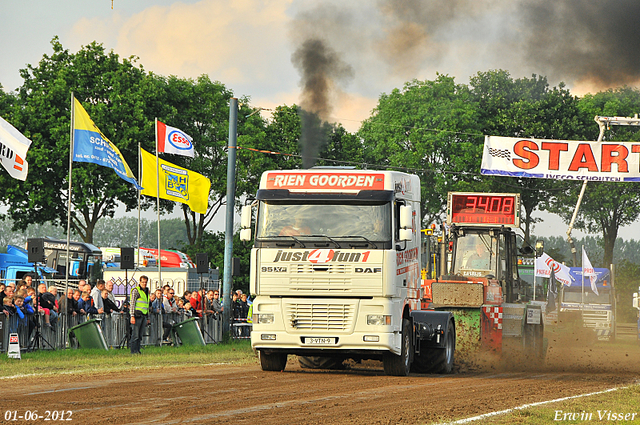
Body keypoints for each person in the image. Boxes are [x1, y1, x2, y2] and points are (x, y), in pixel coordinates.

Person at [129, 275, 150, 354]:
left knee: (140, 335)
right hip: (137, 315)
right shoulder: (136, 290)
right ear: (139, 282)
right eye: (143, 282)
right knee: (135, 335)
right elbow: (132, 304)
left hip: (143, 315)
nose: (144, 284)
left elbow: (147, 305)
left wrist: (148, 317)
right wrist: (132, 316)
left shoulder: (146, 291)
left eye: (145, 282)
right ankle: (133, 351)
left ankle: (137, 350)